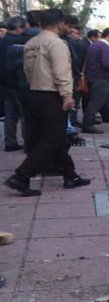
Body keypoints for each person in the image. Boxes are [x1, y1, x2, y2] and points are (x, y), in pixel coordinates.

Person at [4, 8, 90, 196]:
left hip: (33, 93)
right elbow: (62, 73)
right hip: (51, 95)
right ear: (60, 23)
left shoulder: (31, 43)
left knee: (50, 138)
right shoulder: (56, 43)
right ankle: (21, 176)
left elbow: (27, 71)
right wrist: (67, 97)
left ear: (40, 24)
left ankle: (70, 175)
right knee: (52, 140)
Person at [0, 16, 28, 152]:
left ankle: (10, 141)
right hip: (19, 82)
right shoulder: (20, 42)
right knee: (24, 114)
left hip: (5, 84)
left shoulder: (2, 41)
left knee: (10, 114)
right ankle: (28, 142)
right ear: (19, 28)